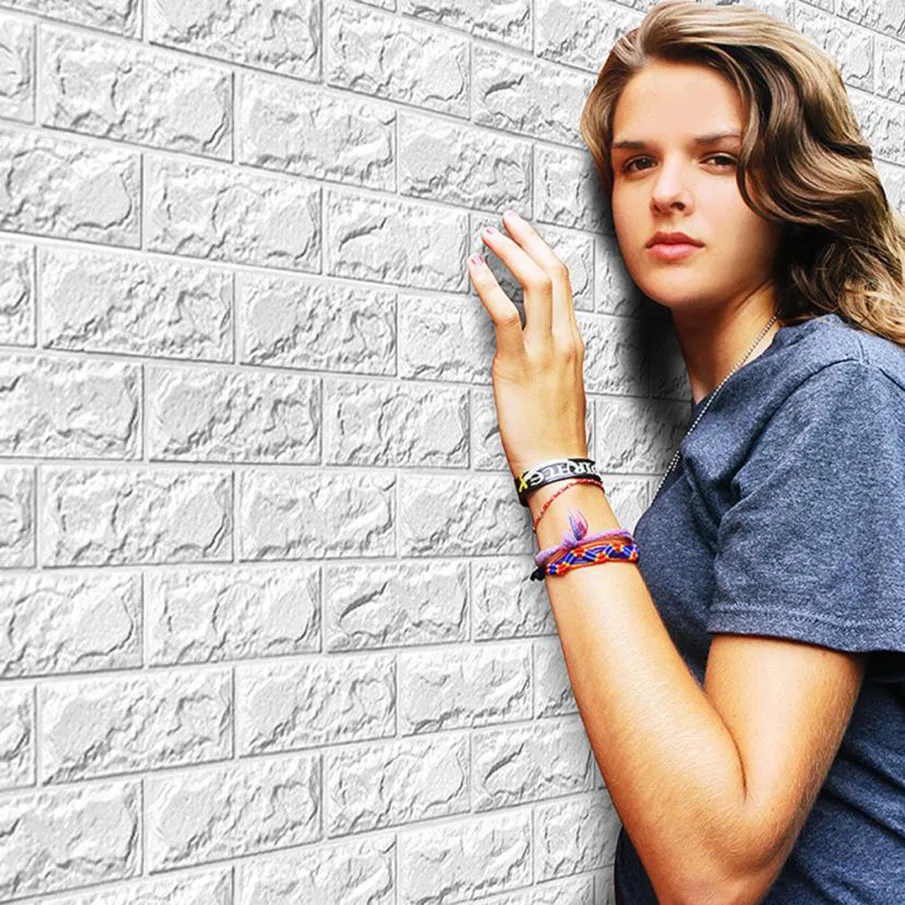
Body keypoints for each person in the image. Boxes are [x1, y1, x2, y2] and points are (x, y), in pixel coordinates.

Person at [467, 0, 905, 902]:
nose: (666, 191)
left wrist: (558, 468)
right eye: (637, 162)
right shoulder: (750, 403)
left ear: (793, 183)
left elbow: (715, 867)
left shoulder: (835, 390)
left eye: (718, 158)